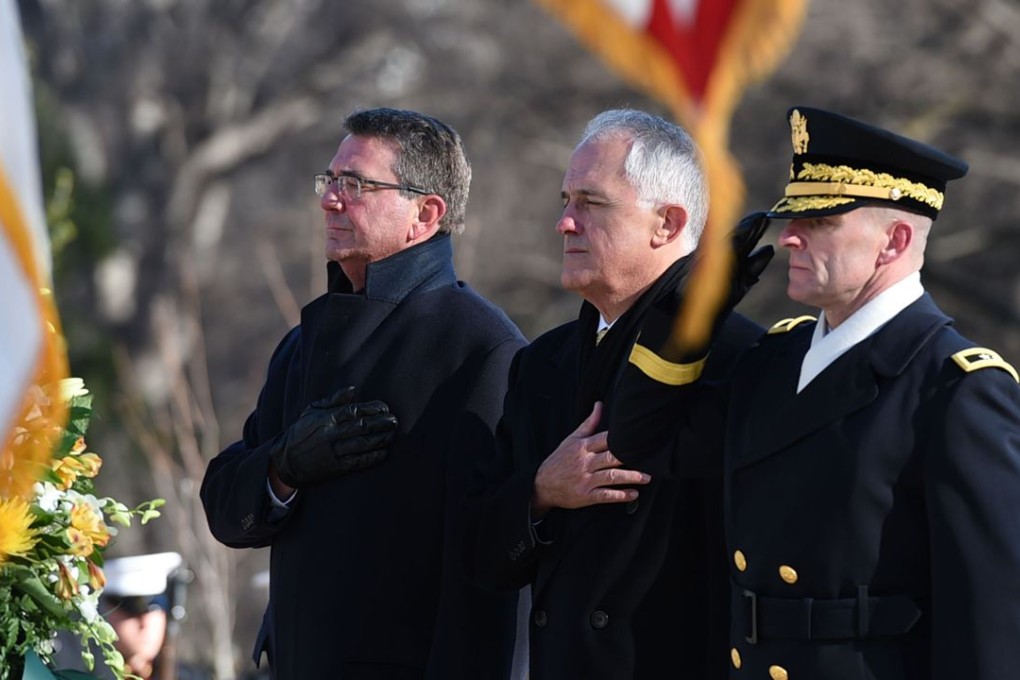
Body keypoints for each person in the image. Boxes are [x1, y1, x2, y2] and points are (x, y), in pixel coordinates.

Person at [610, 106, 1020, 679]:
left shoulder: (955, 390)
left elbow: (989, 622)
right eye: (792, 217)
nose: (790, 237)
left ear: (893, 240)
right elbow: (643, 441)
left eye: (822, 221)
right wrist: (685, 317)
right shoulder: (776, 362)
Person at [200, 108, 527, 679]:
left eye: (356, 185)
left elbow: (488, 574)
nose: (330, 200)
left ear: (425, 213)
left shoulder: (481, 349)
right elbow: (226, 511)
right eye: (330, 181)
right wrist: (283, 468)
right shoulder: (302, 342)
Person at [462, 109, 766, 679]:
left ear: (667, 224)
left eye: (591, 203)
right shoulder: (540, 363)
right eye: (565, 200)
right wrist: (540, 492)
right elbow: (478, 553)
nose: (565, 224)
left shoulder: (740, 359)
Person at [51, 551, 210, 680]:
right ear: (105, 610)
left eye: (156, 607)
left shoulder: (193, 676)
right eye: (132, 611)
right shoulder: (70, 670)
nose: (145, 623)